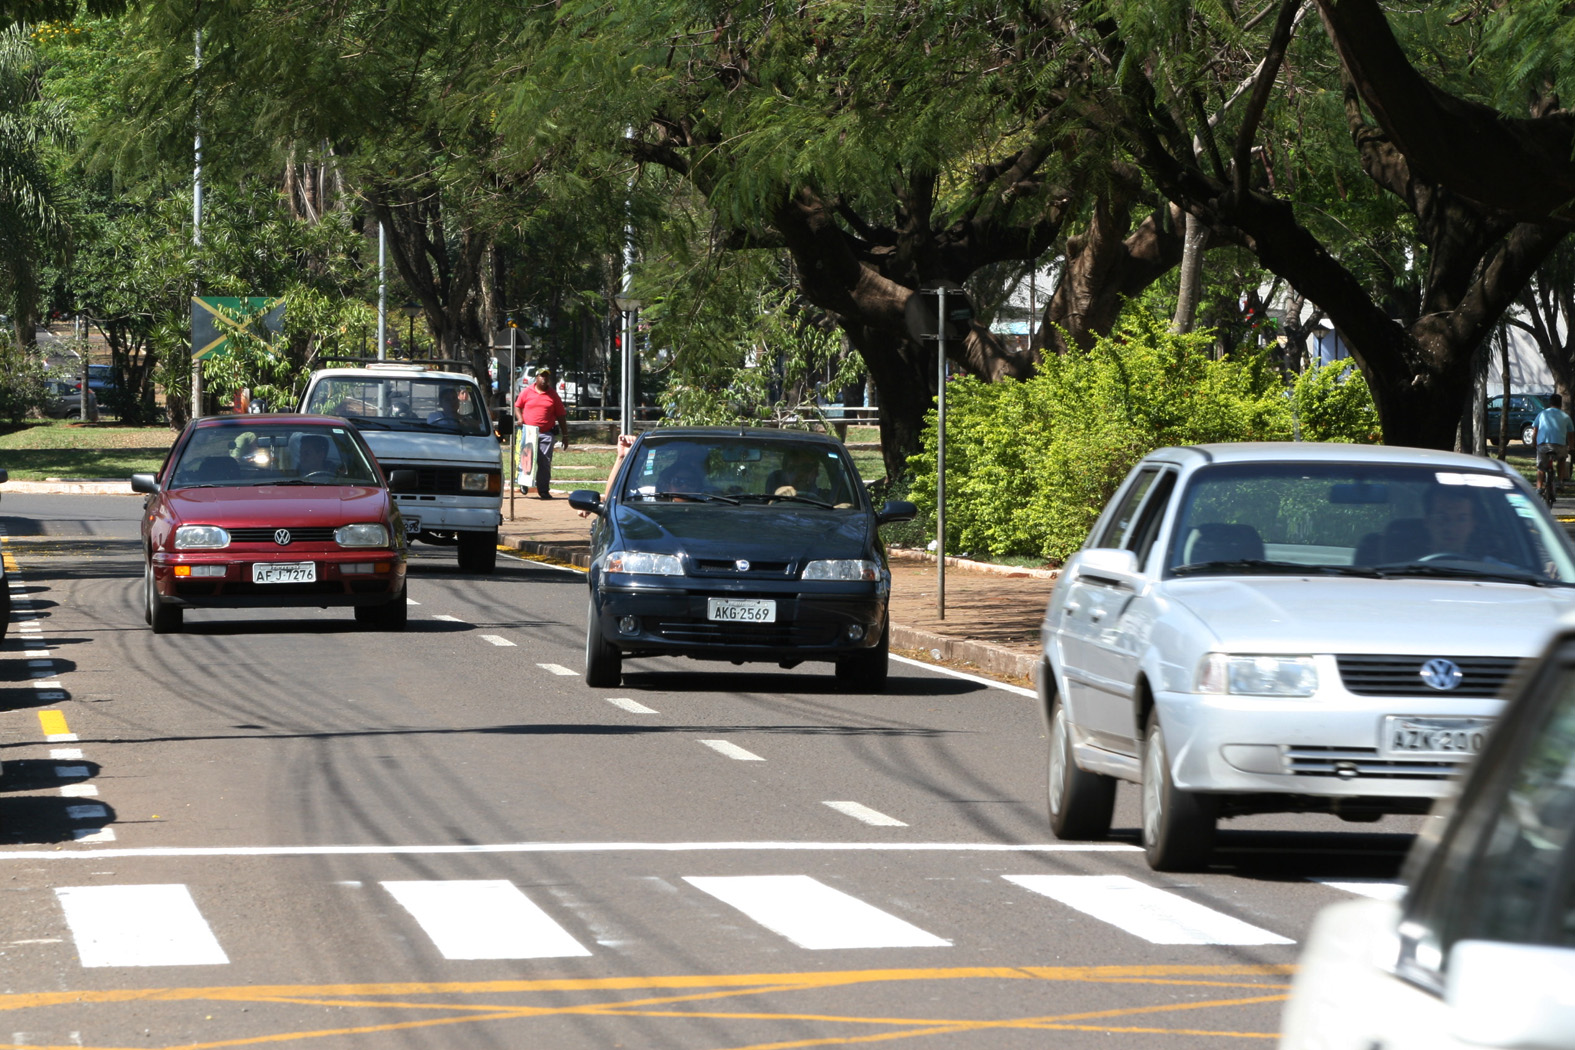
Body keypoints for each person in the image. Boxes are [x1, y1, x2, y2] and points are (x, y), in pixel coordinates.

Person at [514, 367, 568, 499]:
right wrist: (520, 418)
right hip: (529, 431)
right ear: (536, 378)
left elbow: (561, 415)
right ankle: (524, 483)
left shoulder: (553, 395)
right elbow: (517, 406)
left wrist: (565, 435)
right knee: (527, 459)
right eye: (541, 376)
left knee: (544, 462)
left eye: (546, 376)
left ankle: (543, 490)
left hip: (546, 433)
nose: (544, 378)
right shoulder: (527, 391)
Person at [1534, 393, 1574, 497]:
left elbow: (1535, 431)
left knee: (1541, 467)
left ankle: (1539, 488)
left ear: (1550, 403)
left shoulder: (1542, 414)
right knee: (1561, 460)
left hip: (1543, 445)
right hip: (1560, 446)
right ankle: (1560, 482)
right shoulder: (1566, 416)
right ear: (1561, 404)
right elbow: (1571, 435)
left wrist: (1534, 443)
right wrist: (1571, 446)